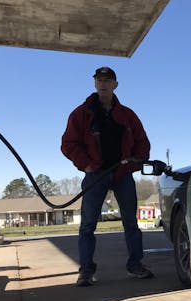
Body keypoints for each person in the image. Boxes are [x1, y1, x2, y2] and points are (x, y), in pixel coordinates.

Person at [61, 66, 153, 286]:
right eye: (99, 80)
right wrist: (86, 164)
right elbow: (68, 144)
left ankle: (135, 265)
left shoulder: (127, 115)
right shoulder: (81, 114)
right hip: (95, 175)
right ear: (94, 83)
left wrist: (133, 163)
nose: (103, 84)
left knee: (131, 223)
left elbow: (142, 142)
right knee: (88, 225)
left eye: (107, 80)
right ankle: (86, 270)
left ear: (115, 85)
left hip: (122, 174)